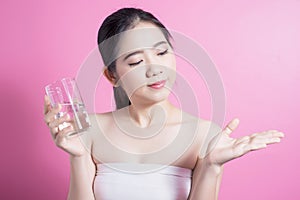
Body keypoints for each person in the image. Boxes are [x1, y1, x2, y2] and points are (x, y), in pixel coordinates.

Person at [43, 7, 284, 200]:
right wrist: (77, 156)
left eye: (161, 53)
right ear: (112, 76)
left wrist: (211, 166)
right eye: (136, 61)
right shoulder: (89, 131)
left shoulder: (203, 134)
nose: (155, 69)